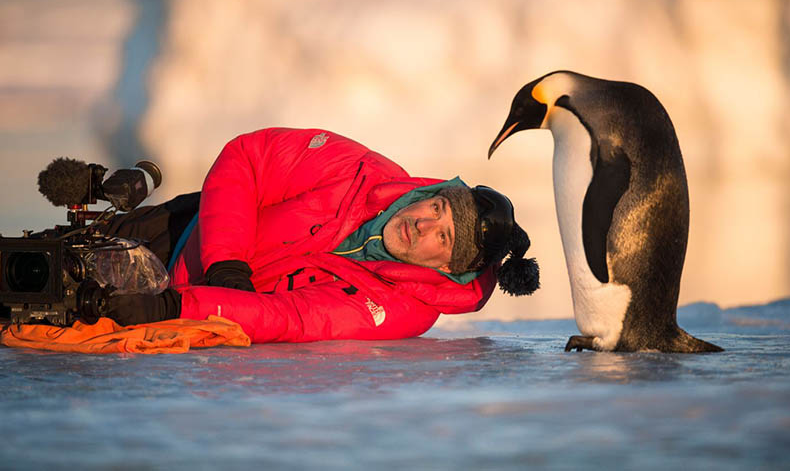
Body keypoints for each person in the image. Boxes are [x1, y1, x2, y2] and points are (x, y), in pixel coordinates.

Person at [96, 127, 539, 342]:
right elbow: (249, 157)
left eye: (442, 238)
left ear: (446, 268)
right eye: (437, 207)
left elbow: (295, 317)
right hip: (179, 231)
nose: (422, 223)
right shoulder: (359, 170)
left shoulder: (403, 310)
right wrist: (226, 262)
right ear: (433, 194)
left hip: (183, 310)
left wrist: (178, 306)